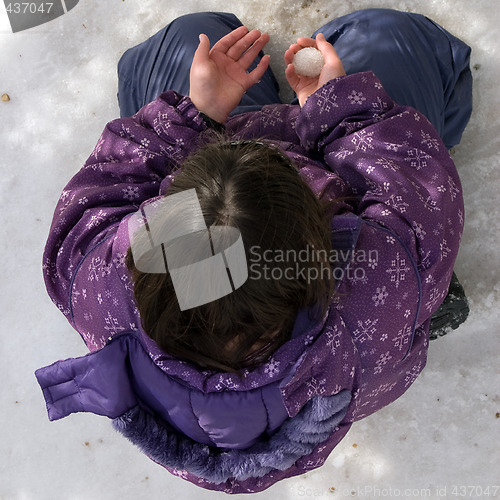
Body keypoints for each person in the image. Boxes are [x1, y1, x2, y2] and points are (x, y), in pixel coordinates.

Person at [36, 9, 472, 494]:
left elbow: (94, 201)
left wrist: (194, 114)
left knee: (188, 36)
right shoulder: (376, 284)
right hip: (368, 299)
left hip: (222, 141)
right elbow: (418, 193)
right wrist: (338, 108)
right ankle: (434, 296)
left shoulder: (103, 281)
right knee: (389, 36)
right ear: (317, 252)